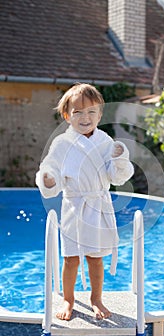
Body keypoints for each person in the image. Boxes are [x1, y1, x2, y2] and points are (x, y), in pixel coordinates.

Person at [36, 83, 134, 321]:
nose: (85, 117)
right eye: (77, 112)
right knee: (70, 258)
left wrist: (119, 158)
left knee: (95, 257)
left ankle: (96, 298)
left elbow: (116, 175)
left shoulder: (104, 141)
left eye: (91, 112)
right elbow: (51, 169)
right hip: (74, 206)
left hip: (98, 205)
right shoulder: (62, 143)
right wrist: (48, 179)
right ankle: (69, 299)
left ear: (100, 114)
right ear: (67, 116)